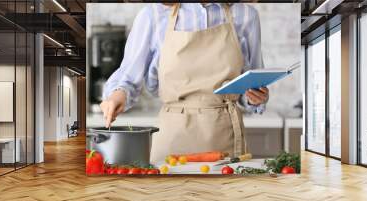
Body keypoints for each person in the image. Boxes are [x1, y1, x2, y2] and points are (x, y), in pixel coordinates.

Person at [100, 3, 269, 163]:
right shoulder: (152, 15)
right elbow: (128, 77)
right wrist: (117, 95)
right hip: (172, 140)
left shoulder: (246, 15)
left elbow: (252, 81)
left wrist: (255, 97)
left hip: (225, 138)